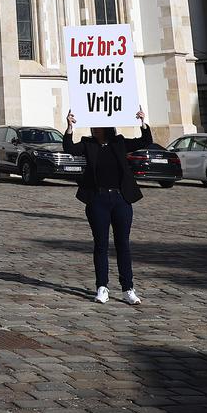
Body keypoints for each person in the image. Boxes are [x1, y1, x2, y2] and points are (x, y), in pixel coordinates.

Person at [63, 107, 150, 305]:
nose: (94, 128)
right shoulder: (88, 144)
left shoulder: (118, 143)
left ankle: (128, 288)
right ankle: (102, 287)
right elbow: (69, 148)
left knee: (123, 245)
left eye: (98, 125)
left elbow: (145, 141)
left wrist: (142, 122)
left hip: (121, 200)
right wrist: (69, 127)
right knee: (101, 245)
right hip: (98, 200)